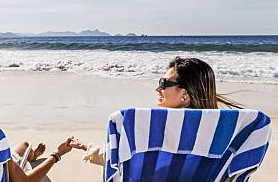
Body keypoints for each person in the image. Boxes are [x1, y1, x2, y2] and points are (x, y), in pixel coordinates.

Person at [70, 56, 242, 165]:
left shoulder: (152, 126)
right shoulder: (223, 131)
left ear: (185, 93)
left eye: (164, 83)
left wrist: (86, 146)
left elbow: (117, 160)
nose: (157, 88)